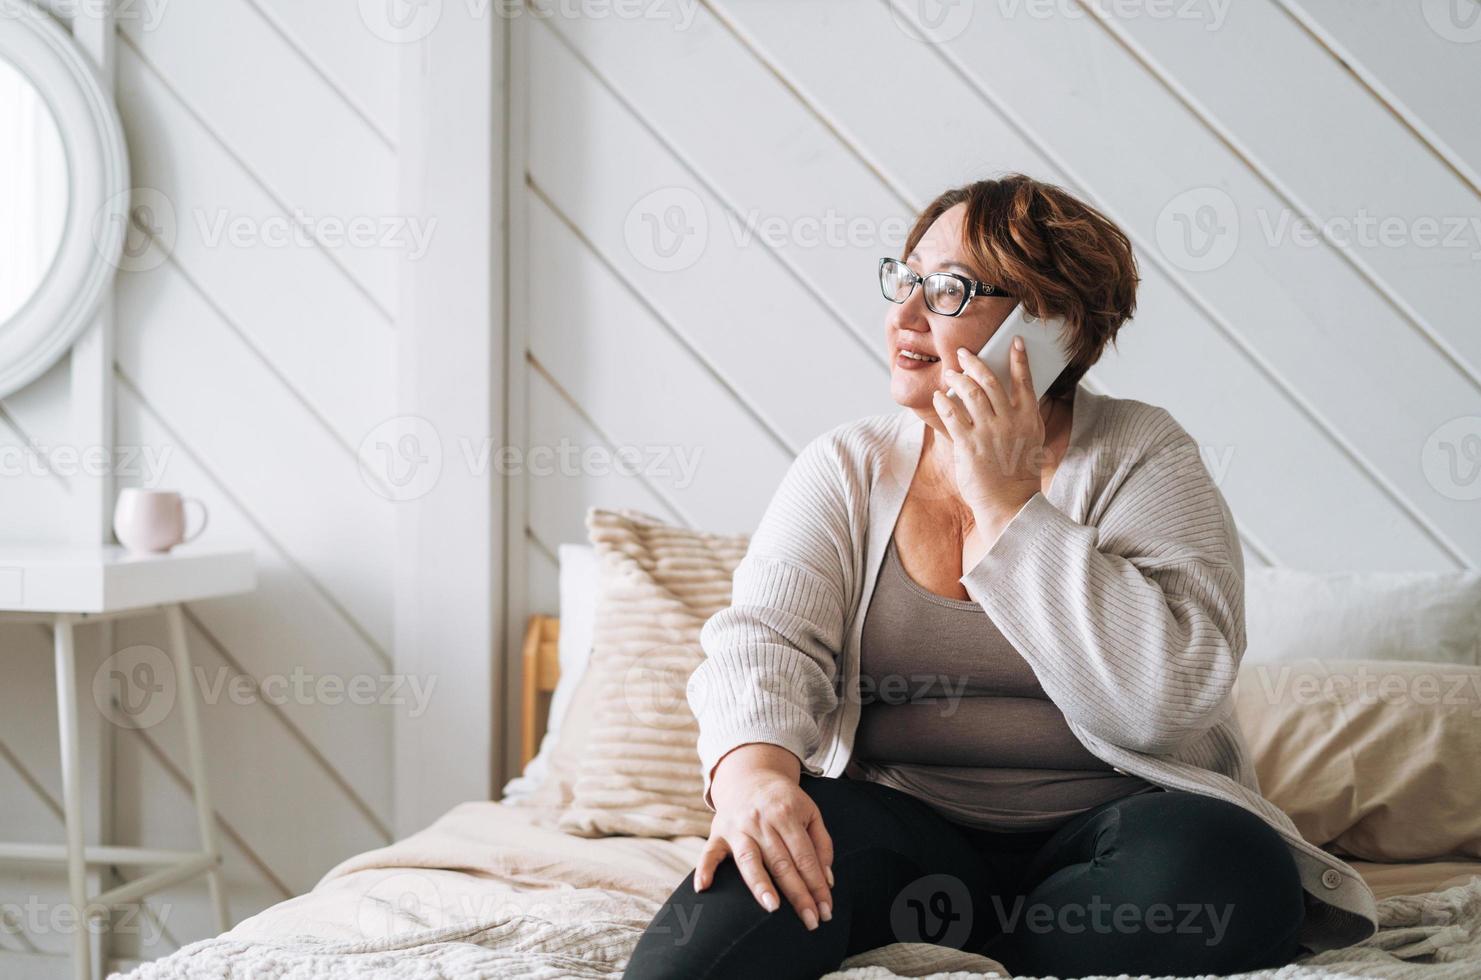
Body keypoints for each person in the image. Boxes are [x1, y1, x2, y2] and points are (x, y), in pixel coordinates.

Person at [625, 174, 1378, 980]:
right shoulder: (846, 466)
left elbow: (1163, 701)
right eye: (905, 277)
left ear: (1049, 326)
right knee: (750, 877)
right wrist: (754, 779)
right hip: (899, 823)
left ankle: (956, 950)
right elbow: (763, 643)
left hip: (1113, 830)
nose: (904, 315)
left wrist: (1009, 504)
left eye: (947, 289)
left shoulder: (1142, 457)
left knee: (1229, 871)